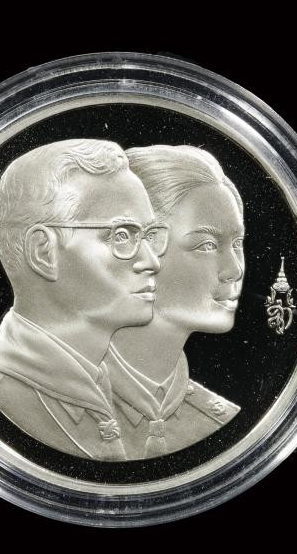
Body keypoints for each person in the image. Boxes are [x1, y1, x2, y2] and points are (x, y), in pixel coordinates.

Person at [0, 139, 168, 460]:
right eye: (122, 235)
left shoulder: (124, 393)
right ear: (43, 252)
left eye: (149, 235)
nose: (152, 262)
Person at [105, 145, 245, 459]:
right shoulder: (43, 403)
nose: (234, 269)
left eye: (237, 243)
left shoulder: (218, 420)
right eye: (207, 245)